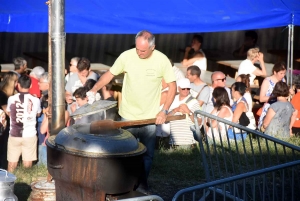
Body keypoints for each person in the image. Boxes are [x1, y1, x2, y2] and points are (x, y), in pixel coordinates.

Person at [89, 30, 176, 193]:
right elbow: (109, 74)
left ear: (153, 47)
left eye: (142, 50)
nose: (139, 53)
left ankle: (142, 186)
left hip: (149, 118)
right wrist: (94, 89)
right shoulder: (126, 56)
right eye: (137, 49)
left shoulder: (161, 60)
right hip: (127, 115)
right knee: (124, 152)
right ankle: (122, 184)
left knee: (147, 155)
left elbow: (172, 86)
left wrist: (164, 111)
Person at [6, 75, 41, 172]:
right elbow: (38, 113)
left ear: (18, 85)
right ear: (30, 86)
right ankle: (25, 182)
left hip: (14, 134)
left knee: (12, 163)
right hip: (30, 134)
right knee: (27, 162)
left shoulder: (11, 99)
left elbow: (9, 113)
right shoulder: (36, 100)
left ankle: (10, 183)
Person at [167, 78, 201, 147]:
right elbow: (166, 117)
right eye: (183, 88)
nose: (186, 90)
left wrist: (189, 112)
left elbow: (199, 121)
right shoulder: (172, 99)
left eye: (188, 88)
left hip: (188, 142)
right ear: (178, 88)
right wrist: (175, 110)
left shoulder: (194, 102)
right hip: (173, 141)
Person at [257, 62, 287, 129]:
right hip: (269, 107)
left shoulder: (283, 80)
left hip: (280, 108)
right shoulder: (267, 81)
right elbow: (261, 98)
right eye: (281, 73)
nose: (283, 75)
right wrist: (275, 96)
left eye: (284, 73)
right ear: (275, 72)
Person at [0, 72, 18, 169]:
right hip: (3, 127)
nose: (17, 85)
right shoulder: (3, 96)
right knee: (3, 149)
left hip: (4, 127)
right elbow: (8, 112)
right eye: (16, 82)